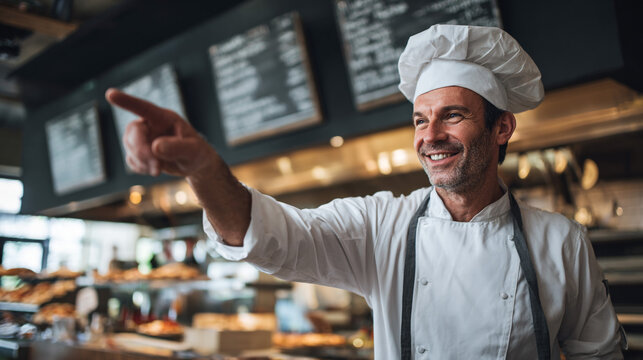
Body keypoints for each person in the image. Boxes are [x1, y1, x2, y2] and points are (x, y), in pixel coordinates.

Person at [106, 24, 625, 359]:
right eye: (420, 120)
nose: (431, 136)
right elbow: (271, 237)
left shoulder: (561, 242)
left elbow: (600, 357)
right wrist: (202, 166)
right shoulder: (382, 226)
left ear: (501, 128)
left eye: (453, 115)